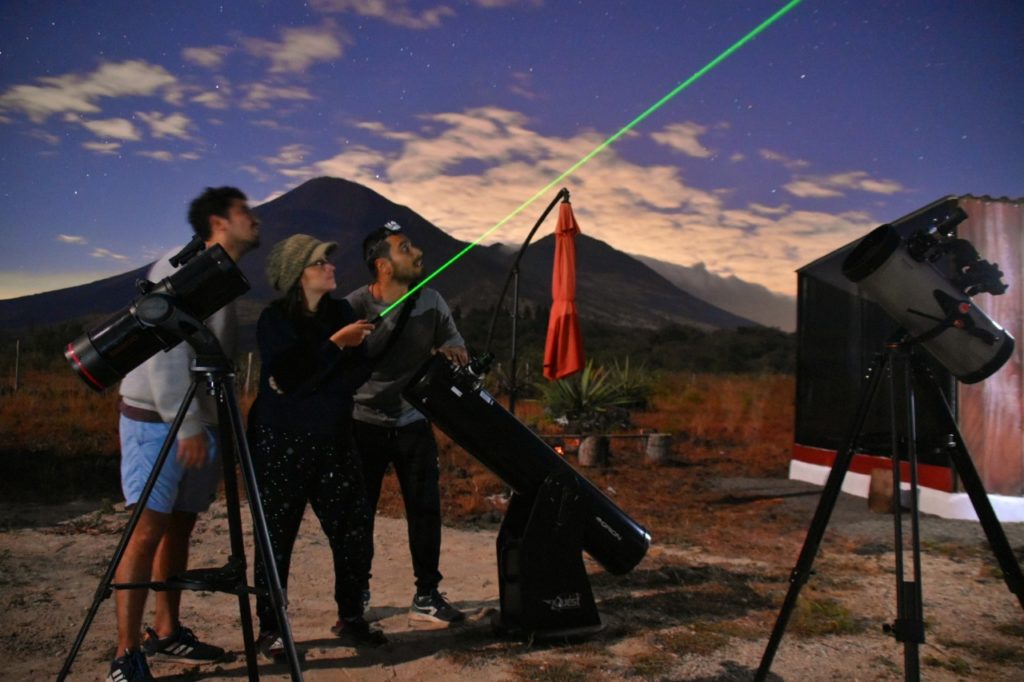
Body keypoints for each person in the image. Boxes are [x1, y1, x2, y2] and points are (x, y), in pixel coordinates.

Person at [111, 187, 260, 682]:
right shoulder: (179, 268)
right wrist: (190, 423)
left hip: (193, 421)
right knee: (146, 529)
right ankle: (125, 655)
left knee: (178, 527)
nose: (254, 219)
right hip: (158, 420)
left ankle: (165, 629)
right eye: (244, 213)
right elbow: (163, 349)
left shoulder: (217, 270)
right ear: (219, 221)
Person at [247, 234, 385, 657]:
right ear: (297, 274)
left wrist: (317, 376)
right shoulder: (274, 320)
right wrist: (333, 347)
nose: (331, 268)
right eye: (320, 263)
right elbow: (285, 378)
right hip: (278, 441)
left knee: (353, 529)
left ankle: (351, 615)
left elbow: (358, 369)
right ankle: (271, 629)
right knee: (276, 536)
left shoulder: (342, 311)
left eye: (329, 260)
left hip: (333, 439)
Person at [345, 220, 469, 625]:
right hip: (361, 422)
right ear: (383, 265)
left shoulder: (431, 300)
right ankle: (356, 593)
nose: (417, 253)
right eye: (405, 248)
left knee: (425, 508)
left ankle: (427, 595)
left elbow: (454, 339)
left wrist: (453, 348)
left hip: (413, 419)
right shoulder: (354, 306)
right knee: (358, 512)